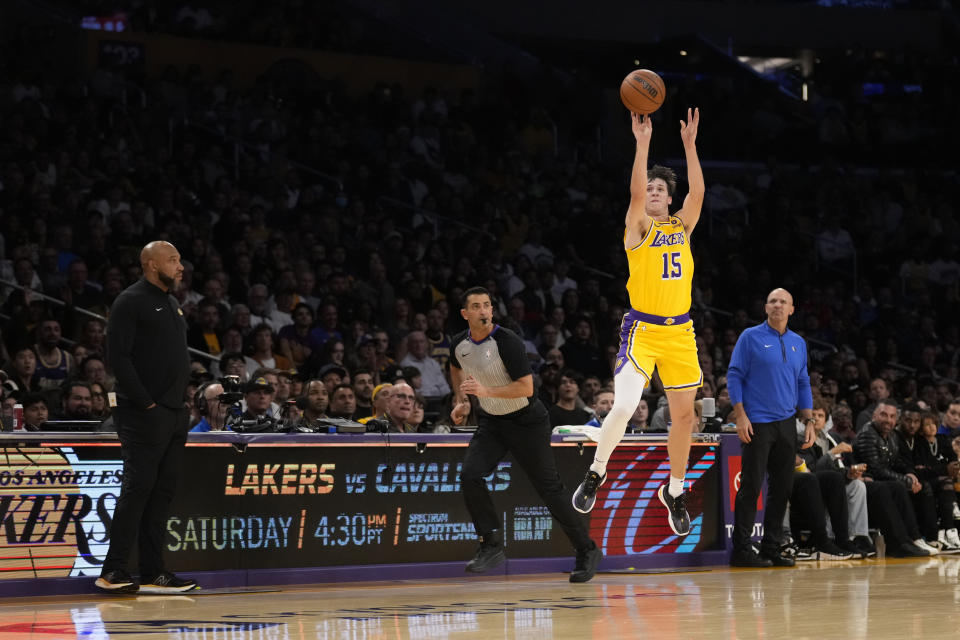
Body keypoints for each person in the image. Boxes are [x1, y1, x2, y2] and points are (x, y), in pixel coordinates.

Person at [573, 108, 704, 541]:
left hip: (680, 333)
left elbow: (698, 196)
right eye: (648, 187)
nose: (651, 192)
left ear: (669, 197)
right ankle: (596, 472)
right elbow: (631, 196)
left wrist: (689, 145)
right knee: (625, 406)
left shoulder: (681, 227)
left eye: (659, 188)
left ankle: (675, 491)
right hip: (643, 331)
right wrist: (641, 141)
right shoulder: (637, 228)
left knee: (685, 417)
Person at [450, 287, 600, 583]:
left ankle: (587, 549)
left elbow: (526, 388)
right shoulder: (458, 344)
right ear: (465, 314)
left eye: (487, 306)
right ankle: (490, 545)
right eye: (476, 306)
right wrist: (462, 400)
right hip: (492, 421)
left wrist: (483, 391)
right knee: (469, 475)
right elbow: (456, 367)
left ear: (492, 311)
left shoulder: (507, 341)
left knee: (549, 491)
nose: (483, 311)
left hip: (527, 421)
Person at [98, 240, 197, 594]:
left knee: (161, 493)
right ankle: (113, 570)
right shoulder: (130, 300)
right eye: (173, 259)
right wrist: (146, 404)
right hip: (144, 413)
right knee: (138, 488)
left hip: (172, 412)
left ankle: (154, 573)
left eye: (180, 258)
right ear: (152, 264)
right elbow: (119, 359)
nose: (181, 266)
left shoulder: (171, 303)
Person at [727, 288, 815, 567]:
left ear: (792, 309)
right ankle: (741, 549)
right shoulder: (750, 337)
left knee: (783, 487)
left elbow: (803, 381)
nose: (777, 305)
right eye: (772, 301)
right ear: (766, 307)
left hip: (787, 422)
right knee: (751, 486)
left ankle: (771, 547)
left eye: (783, 302)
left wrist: (809, 420)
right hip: (758, 422)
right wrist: (740, 415)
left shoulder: (798, 342)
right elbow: (734, 375)